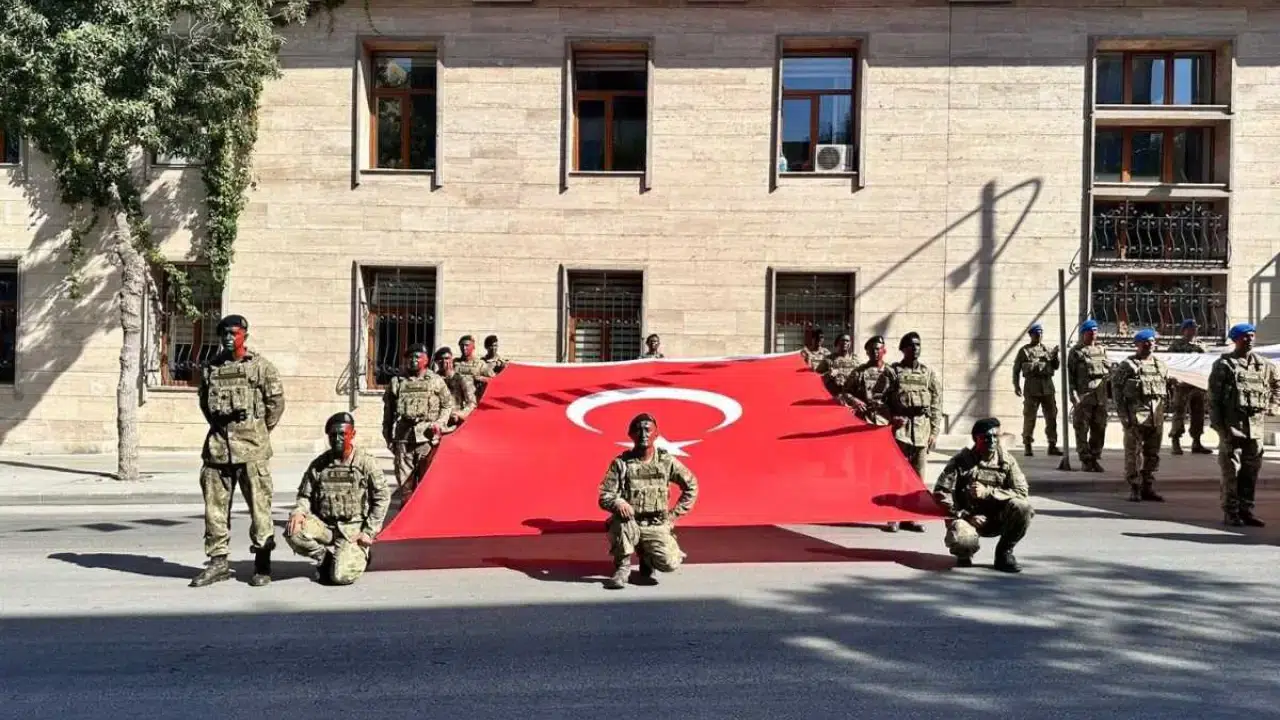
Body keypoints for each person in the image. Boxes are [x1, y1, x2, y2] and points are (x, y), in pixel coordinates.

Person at [190, 314, 285, 588]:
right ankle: (218, 562)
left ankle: (262, 563)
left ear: (245, 335)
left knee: (260, 509)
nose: (229, 338)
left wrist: (258, 431)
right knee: (215, 511)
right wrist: (222, 429)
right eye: (224, 334)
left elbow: (276, 405)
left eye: (234, 333)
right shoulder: (211, 368)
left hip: (252, 451)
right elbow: (205, 405)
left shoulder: (261, 367)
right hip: (218, 450)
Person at [284, 413, 389, 585]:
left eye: (343, 434)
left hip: (352, 529)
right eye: (333, 435)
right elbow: (304, 496)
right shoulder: (319, 465)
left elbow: (382, 497)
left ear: (352, 434)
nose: (337, 439)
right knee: (293, 530)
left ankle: (361, 553)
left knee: (341, 577)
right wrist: (299, 512)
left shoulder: (366, 463)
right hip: (326, 526)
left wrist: (369, 531)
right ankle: (324, 558)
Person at [598, 413, 699, 590]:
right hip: (630, 522)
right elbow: (605, 495)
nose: (643, 434)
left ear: (656, 434)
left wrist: (673, 516)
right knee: (620, 523)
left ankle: (647, 558)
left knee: (669, 563)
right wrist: (618, 503)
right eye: (638, 430)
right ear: (631, 434)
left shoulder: (666, 462)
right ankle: (622, 567)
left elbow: (691, 486)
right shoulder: (621, 464)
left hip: (656, 523)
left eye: (648, 430)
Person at [932, 418, 1034, 573]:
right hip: (968, 518)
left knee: (1023, 507)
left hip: (998, 518)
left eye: (995, 436)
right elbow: (940, 494)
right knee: (964, 540)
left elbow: (1021, 491)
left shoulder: (1007, 461)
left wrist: (987, 492)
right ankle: (965, 552)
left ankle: (1004, 553)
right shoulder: (961, 461)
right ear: (976, 438)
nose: (992, 441)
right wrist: (965, 516)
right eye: (986, 437)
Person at [1209, 323, 1280, 527]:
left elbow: (1277, 386)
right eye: (1244, 336)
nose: (1249, 339)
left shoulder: (1264, 365)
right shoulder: (1224, 365)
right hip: (1232, 427)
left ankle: (1246, 510)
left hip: (1255, 429)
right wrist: (1220, 427)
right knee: (1230, 471)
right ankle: (1230, 511)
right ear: (1235, 340)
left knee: (1250, 472)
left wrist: (1273, 406)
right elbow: (1213, 399)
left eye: (1251, 335)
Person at [873, 331, 939, 533]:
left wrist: (934, 432)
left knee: (917, 477)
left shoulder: (928, 374)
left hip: (921, 430)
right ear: (903, 349)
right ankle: (893, 516)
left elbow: (936, 403)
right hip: (900, 431)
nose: (916, 348)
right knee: (896, 474)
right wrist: (891, 417)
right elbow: (876, 398)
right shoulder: (893, 372)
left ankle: (911, 517)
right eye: (911, 345)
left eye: (918, 345)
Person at [382, 343, 453, 500]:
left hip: (427, 440)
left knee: (427, 487)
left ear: (426, 360)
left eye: (417, 356)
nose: (413, 360)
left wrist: (439, 423)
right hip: (403, 440)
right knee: (405, 488)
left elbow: (447, 405)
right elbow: (388, 413)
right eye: (410, 357)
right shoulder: (397, 382)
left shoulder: (436, 380)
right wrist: (388, 438)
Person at [1111, 328, 1169, 502]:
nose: (1149, 344)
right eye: (1145, 342)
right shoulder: (1128, 365)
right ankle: (1134, 487)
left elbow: (1165, 390)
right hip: (1135, 417)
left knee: (1153, 454)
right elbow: (1117, 391)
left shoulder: (1161, 365)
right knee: (1133, 454)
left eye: (1152, 341)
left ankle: (1147, 486)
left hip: (1155, 418)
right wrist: (1123, 416)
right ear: (1137, 344)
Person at [1067, 319, 1111, 472]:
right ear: (1083, 333)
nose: (1093, 334)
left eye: (1095, 331)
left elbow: (1107, 374)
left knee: (1100, 428)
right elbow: (1071, 376)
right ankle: (1085, 459)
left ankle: (1094, 457)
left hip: (1100, 397)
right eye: (1089, 331)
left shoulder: (1102, 350)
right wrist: (1073, 394)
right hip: (1084, 397)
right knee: (1081, 428)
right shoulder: (1076, 352)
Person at [1013, 323, 1062, 457]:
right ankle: (1027, 445)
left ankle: (1052, 444)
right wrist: (1016, 385)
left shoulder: (1047, 350)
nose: (1039, 335)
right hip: (1032, 388)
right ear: (1031, 335)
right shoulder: (1024, 351)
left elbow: (1056, 366)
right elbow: (1016, 369)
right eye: (1036, 333)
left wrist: (1055, 356)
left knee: (1051, 417)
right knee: (1030, 418)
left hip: (1047, 388)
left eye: (1040, 333)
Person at [1168, 319, 1211, 455]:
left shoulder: (1202, 345)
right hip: (1182, 385)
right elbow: (1169, 362)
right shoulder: (1176, 345)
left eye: (1195, 328)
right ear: (1184, 330)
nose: (1193, 330)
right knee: (1179, 413)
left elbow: (1206, 362)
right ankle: (1176, 441)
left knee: (1198, 413)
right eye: (1190, 328)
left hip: (1197, 384)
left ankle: (1197, 442)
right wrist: (1173, 379)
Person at [434, 345, 477, 433]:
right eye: (440, 359)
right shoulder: (433, 380)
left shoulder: (461, 378)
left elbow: (472, 403)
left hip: (454, 423)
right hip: (436, 423)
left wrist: (461, 414)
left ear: (451, 360)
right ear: (436, 362)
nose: (444, 361)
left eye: (447, 358)